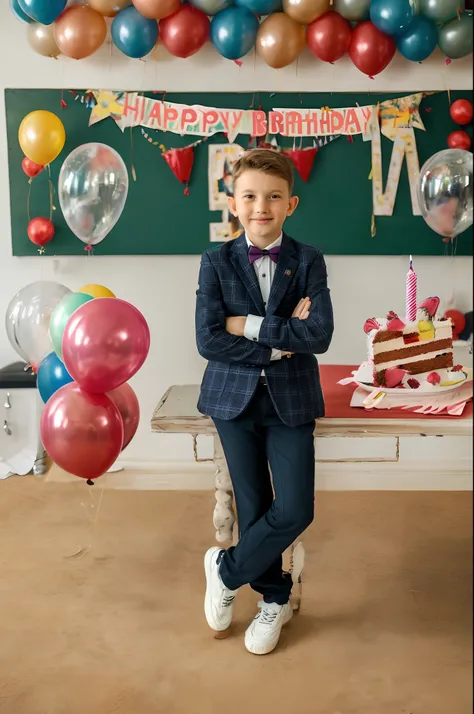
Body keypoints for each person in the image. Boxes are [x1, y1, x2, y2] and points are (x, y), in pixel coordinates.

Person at [195, 149, 334, 655]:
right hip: (232, 399)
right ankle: (273, 597)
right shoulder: (214, 262)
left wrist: (250, 326)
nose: (262, 206)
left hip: (292, 398)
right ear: (233, 203)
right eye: (250, 196)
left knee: (295, 507)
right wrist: (282, 339)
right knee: (253, 505)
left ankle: (225, 570)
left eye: (274, 197)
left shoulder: (309, 260)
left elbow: (318, 334)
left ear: (291, 204)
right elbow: (208, 339)